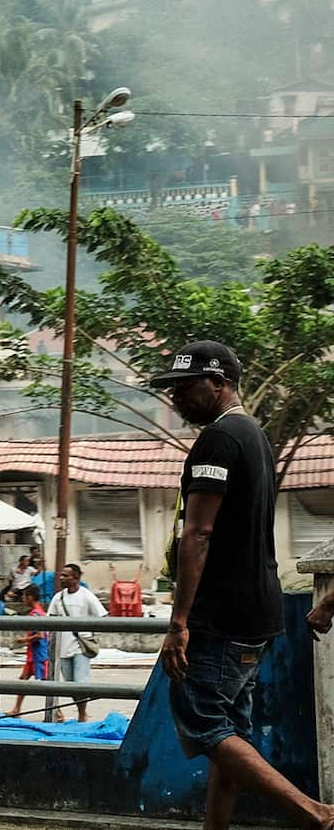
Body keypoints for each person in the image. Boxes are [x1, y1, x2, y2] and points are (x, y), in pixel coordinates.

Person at [152, 340, 334, 830]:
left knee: (207, 727)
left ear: (219, 381)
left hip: (220, 616)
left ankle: (316, 813)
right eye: (172, 388)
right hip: (256, 613)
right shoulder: (254, 435)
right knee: (230, 737)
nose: (177, 397)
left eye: (185, 387)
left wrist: (179, 621)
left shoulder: (218, 439)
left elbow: (199, 531)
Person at [47, 563, 106, 723]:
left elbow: (102, 616)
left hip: (80, 647)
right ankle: (81, 711)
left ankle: (82, 714)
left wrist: (89, 631)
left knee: (81, 682)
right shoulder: (58, 598)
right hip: (62, 647)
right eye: (61, 575)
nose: (61, 578)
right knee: (70, 683)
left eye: (66, 575)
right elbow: (50, 619)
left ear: (76, 578)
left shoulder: (87, 596)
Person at [8, 584, 49, 717]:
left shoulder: (35, 614)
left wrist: (23, 640)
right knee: (23, 680)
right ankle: (16, 709)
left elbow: (39, 635)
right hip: (34, 655)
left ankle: (57, 712)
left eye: (25, 597)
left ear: (30, 597)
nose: (24, 600)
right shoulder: (39, 612)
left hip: (38, 655)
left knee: (47, 684)